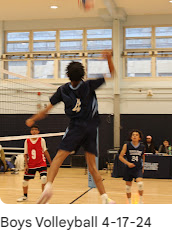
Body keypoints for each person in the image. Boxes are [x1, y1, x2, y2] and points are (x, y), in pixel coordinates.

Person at [25, 51, 115, 204]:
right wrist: (108, 58)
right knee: (92, 166)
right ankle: (105, 198)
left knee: (58, 158)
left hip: (76, 128)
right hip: (92, 128)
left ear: (68, 75)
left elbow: (46, 111)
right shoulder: (89, 85)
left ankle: (48, 186)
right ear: (82, 75)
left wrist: (33, 119)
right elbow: (111, 74)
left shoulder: (63, 90)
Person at [17, 125, 52, 202]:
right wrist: (26, 164)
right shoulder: (27, 140)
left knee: (44, 179)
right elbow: (25, 154)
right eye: (32, 130)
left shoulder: (41, 140)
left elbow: (45, 152)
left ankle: (43, 198)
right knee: (24, 181)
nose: (34, 131)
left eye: (36, 130)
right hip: (31, 164)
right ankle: (25, 196)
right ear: (30, 131)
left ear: (38, 131)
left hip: (41, 163)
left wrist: (51, 163)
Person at [119, 129, 145, 204]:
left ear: (139, 138)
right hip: (129, 169)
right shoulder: (126, 145)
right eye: (133, 135)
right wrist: (128, 163)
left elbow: (143, 157)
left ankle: (140, 201)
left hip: (138, 168)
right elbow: (120, 157)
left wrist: (143, 167)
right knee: (128, 187)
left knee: (140, 184)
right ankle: (129, 203)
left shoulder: (142, 146)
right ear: (131, 137)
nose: (134, 136)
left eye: (136, 135)